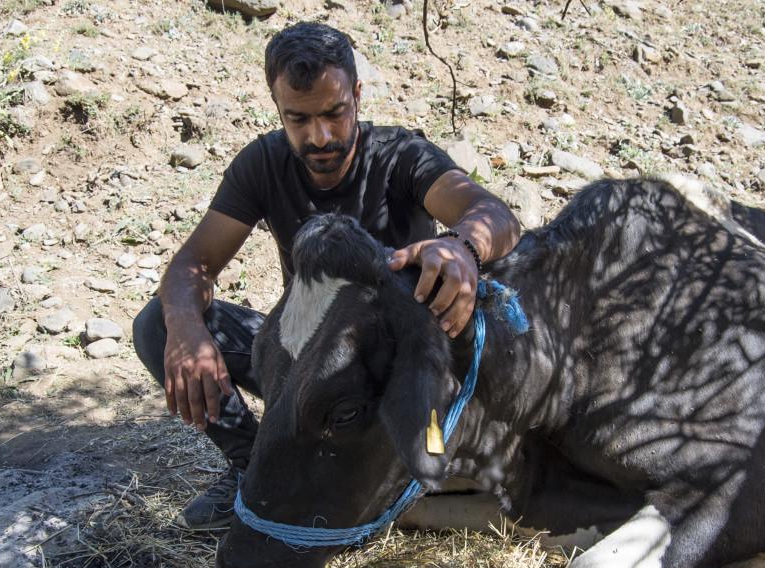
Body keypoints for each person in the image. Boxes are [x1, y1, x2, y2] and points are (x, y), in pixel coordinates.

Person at [133, 21, 521, 529]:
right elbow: (195, 263)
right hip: (312, 365)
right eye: (299, 120)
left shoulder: (401, 156)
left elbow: (494, 213)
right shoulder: (262, 165)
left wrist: (463, 246)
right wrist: (186, 328)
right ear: (278, 110)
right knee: (157, 326)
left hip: (393, 371)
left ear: (357, 95)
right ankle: (255, 469)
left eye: (335, 114)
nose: (320, 136)